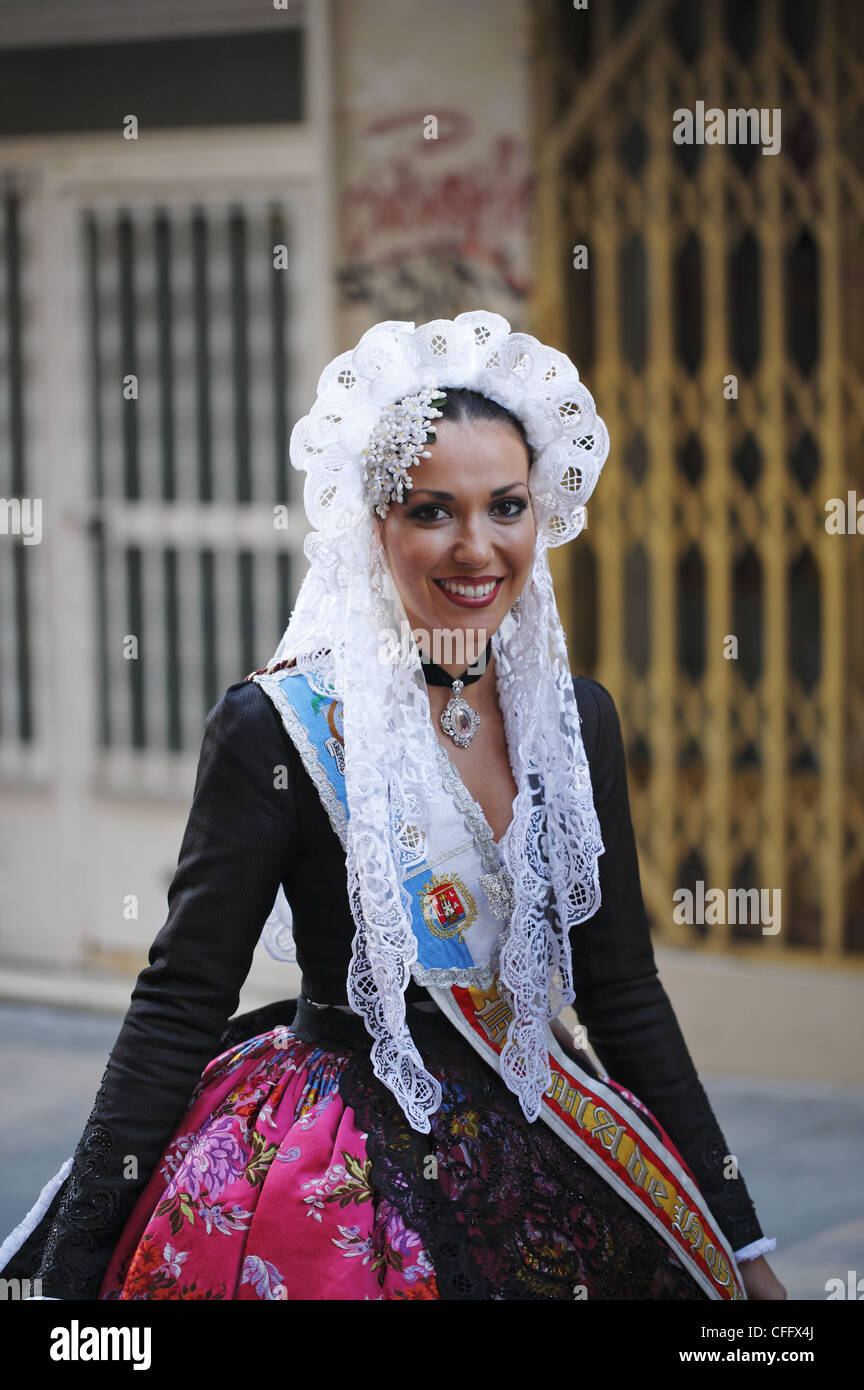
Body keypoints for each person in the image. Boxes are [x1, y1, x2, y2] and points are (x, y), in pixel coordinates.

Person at [1, 312, 784, 1301]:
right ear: (376, 525)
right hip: (335, 1167)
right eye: (432, 511)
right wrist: (74, 1273)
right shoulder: (276, 726)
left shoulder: (573, 721)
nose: (476, 547)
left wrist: (742, 1241)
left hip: (549, 1141)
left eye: (506, 507)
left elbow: (622, 993)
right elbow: (180, 998)